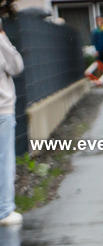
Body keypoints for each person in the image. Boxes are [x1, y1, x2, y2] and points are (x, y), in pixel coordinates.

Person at [0, 17, 23, 227]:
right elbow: (16, 66)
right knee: (5, 161)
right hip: (2, 108)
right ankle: (4, 209)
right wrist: (3, 37)